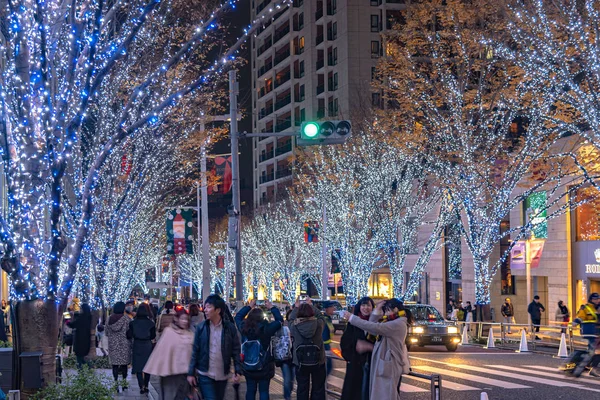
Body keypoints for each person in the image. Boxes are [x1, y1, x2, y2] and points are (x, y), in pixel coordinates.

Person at [342, 299, 412, 400]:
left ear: (395, 309)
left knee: (386, 394)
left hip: (389, 365)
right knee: (380, 393)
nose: (385, 313)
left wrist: (352, 318)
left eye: (387, 310)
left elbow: (375, 327)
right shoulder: (391, 321)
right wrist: (377, 309)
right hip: (384, 363)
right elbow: (373, 327)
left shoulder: (398, 323)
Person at [187, 294, 242, 400]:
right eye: (205, 307)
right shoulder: (201, 328)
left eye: (208, 307)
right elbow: (195, 351)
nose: (205, 310)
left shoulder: (229, 328)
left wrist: (237, 371)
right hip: (205, 373)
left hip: (223, 374)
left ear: (218, 310)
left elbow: (235, 350)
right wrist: (191, 373)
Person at [235, 299, 283, 400]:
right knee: (264, 391)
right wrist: (271, 307)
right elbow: (280, 320)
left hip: (248, 365)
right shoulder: (267, 328)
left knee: (250, 390)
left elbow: (238, 317)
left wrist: (249, 306)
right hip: (264, 366)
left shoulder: (244, 328)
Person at [144, 308, 195, 399]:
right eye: (182, 318)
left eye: (186, 319)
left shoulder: (190, 334)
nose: (184, 321)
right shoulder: (169, 332)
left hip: (185, 375)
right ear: (176, 319)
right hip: (170, 374)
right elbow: (162, 352)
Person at [288, 297, 326, 400]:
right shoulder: (318, 324)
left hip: (300, 362)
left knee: (302, 388)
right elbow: (321, 317)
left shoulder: (294, 326)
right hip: (318, 361)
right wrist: (311, 305)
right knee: (318, 388)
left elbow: (290, 319)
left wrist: (296, 308)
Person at [340, 297, 375, 400]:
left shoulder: (376, 324)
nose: (366, 308)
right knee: (353, 392)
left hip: (372, 363)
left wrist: (369, 347)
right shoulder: (353, 323)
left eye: (368, 305)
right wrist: (350, 358)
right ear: (359, 307)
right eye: (363, 305)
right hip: (355, 364)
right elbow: (345, 342)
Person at [127, 302, 156, 394]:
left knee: (138, 366)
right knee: (147, 366)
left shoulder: (133, 323)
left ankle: (141, 386)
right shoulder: (150, 323)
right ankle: (147, 385)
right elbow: (153, 336)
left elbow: (129, 335)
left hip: (137, 344)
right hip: (147, 345)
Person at [570, 293, 600, 377]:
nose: (597, 300)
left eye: (598, 299)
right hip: (590, 331)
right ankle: (580, 366)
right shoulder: (586, 307)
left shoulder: (597, 308)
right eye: (595, 299)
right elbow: (581, 316)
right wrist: (575, 322)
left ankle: (587, 367)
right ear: (591, 299)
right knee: (593, 351)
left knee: (593, 351)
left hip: (596, 333)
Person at [106, 301, 131, 391]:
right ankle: (124, 383)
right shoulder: (127, 319)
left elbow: (106, 332)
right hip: (124, 344)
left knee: (115, 365)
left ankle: (116, 383)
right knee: (124, 365)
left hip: (113, 345)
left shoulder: (109, 319)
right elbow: (130, 332)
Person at [67, 303, 92, 369]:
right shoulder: (89, 317)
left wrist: (66, 318)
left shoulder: (81, 318)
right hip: (87, 339)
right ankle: (89, 368)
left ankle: (82, 370)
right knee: (82, 356)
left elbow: (71, 325)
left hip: (79, 340)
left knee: (79, 357)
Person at [280, 310, 295, 400]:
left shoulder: (297, 327)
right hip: (285, 358)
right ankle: (287, 397)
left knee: (292, 381)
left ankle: (288, 393)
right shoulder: (283, 328)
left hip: (294, 358)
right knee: (287, 380)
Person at [321, 301, 336, 378]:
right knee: (327, 367)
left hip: (327, 345)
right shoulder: (325, 319)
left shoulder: (328, 319)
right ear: (327, 309)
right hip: (324, 346)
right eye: (332, 307)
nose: (334, 308)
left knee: (328, 367)